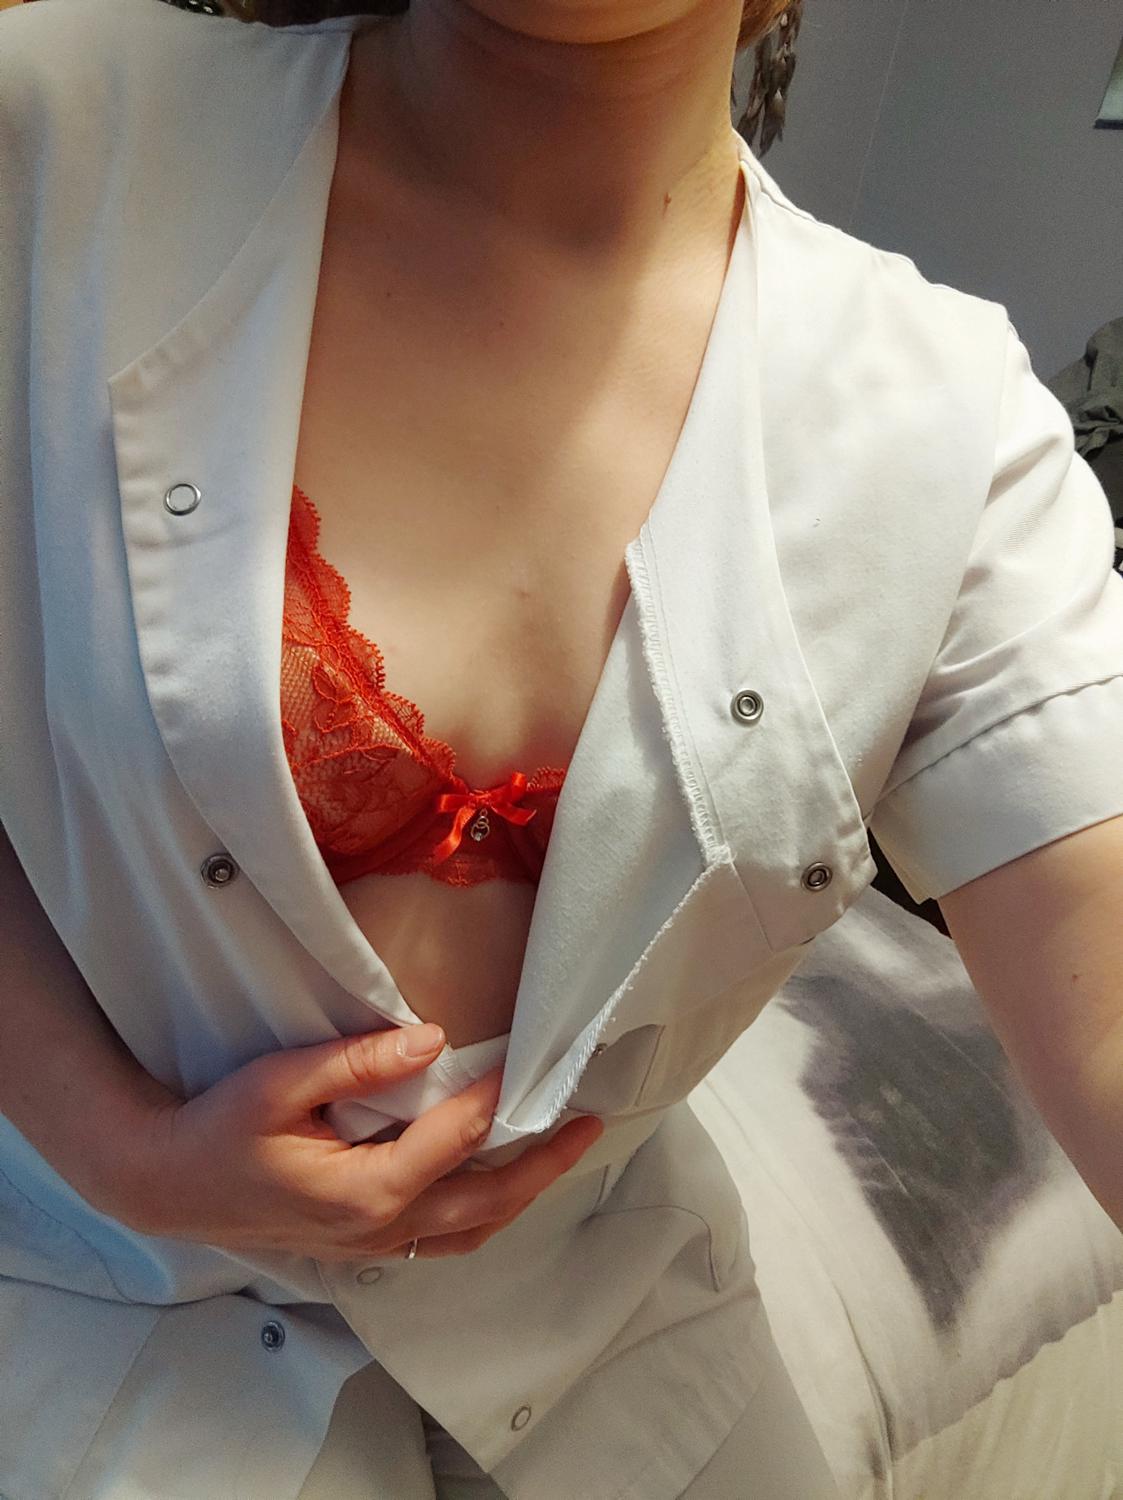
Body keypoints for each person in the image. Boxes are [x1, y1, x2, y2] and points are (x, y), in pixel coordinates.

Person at [2, 0, 1122, 1496]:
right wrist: (117, 1146)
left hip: (613, 1347)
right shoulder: (52, 137)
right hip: (100, 1292)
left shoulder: (953, 427)